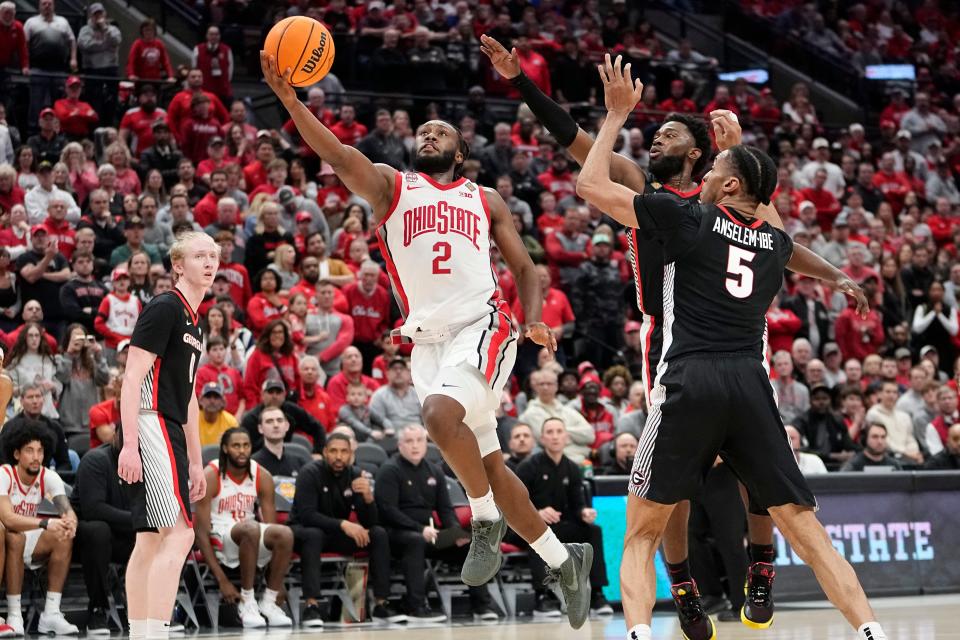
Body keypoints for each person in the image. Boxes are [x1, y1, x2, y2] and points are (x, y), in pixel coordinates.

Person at [263, 50, 592, 628]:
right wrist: (291, 101)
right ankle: (564, 560)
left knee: (440, 418)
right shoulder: (392, 188)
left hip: (482, 326)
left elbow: (523, 266)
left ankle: (484, 521)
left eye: (442, 130)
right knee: (486, 463)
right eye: (424, 130)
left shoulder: (484, 199)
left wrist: (534, 315)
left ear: (461, 152)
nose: (430, 133)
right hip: (429, 342)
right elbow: (337, 154)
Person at [576, 55, 885, 640]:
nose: (707, 174)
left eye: (716, 167)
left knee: (642, 531)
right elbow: (777, 232)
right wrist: (838, 276)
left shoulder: (685, 216)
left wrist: (617, 115)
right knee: (810, 533)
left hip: (689, 378)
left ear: (730, 184)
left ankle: (641, 633)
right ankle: (872, 631)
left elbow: (590, 184)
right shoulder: (771, 246)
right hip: (750, 383)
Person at [116, 232, 219, 640]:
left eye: (214, 255)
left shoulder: (196, 320)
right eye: (199, 255)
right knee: (180, 533)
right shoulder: (165, 307)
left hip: (170, 425)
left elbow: (190, 397)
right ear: (179, 265)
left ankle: (141, 633)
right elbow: (131, 378)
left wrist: (195, 460)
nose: (210, 262)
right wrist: (128, 443)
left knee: (150, 539)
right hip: (148, 419)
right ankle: (156, 633)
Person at [376, 424, 499, 621]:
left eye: (419, 441)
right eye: (409, 441)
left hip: (431, 534)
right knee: (415, 540)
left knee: (470, 545)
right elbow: (388, 511)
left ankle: (481, 605)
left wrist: (455, 532)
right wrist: (419, 529)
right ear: (400, 445)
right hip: (397, 534)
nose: (415, 446)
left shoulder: (434, 471)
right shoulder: (389, 470)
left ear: (427, 444)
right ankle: (416, 607)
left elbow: (445, 509)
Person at [290, 432, 398, 626]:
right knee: (313, 535)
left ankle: (381, 603)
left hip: (335, 533)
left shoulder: (355, 474)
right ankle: (311, 607)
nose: (338, 456)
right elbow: (307, 515)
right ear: (324, 452)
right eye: (333, 451)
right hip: (302, 532)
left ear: (351, 455)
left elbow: (370, 521)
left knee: (378, 534)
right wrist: (344, 524)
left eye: (344, 452)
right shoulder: (310, 472)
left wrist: (368, 499)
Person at [193, 428, 293, 627]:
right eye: (236, 446)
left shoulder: (261, 475)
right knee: (250, 528)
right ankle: (247, 601)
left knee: (284, 533)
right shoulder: (211, 475)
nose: (242, 451)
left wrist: (276, 579)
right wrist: (222, 580)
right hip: (220, 538)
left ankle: (269, 602)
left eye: (246, 446)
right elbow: (200, 532)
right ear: (225, 448)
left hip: (250, 535)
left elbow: (270, 526)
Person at [513, 418, 612, 616]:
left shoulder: (573, 469)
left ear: (566, 437)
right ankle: (543, 596)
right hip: (526, 527)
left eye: (559, 431)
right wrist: (537, 513)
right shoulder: (528, 467)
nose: (555, 436)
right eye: (550, 432)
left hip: (560, 526)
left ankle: (598, 595)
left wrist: (584, 512)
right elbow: (514, 503)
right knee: (537, 534)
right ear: (542, 438)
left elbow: (577, 505)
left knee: (593, 531)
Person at [0, 422, 79, 635]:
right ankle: (14, 614)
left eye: (40, 451)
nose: (36, 456)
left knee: (62, 536)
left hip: (29, 539)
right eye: (29, 450)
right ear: (16, 453)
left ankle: (51, 613)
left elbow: (66, 509)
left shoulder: (48, 476)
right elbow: (7, 518)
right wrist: (45, 523)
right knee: (15, 536)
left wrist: (70, 522)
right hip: (4, 541)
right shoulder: (4, 474)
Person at [70, 442, 135, 634]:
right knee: (98, 530)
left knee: (179, 533)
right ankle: (97, 608)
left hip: (129, 533)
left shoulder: (147, 462)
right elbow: (94, 509)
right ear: (116, 436)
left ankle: (159, 609)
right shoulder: (96, 460)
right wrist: (140, 520)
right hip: (86, 538)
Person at [518, 368, 595, 463]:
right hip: (551, 462)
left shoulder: (567, 410)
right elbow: (548, 443)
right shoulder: (531, 413)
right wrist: (583, 449)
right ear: (535, 387)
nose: (545, 387)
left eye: (549, 384)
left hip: (576, 461)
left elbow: (590, 436)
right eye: (541, 384)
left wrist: (565, 432)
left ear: (556, 386)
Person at [239, 379, 325, 454]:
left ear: (284, 395)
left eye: (278, 392)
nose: (274, 396)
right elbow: (244, 445)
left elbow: (318, 428)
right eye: (270, 392)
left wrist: (318, 452)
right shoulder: (251, 418)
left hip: (288, 455)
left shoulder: (292, 410)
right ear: (262, 394)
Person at [865, 380, 924, 465]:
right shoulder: (873, 414)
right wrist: (906, 454)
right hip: (888, 457)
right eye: (888, 392)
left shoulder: (904, 416)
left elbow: (910, 438)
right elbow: (884, 441)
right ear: (879, 394)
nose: (891, 395)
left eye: (894, 392)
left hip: (910, 457)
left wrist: (915, 452)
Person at [250, 405, 312, 478]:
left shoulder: (300, 463)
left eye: (279, 420)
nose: (276, 425)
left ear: (287, 426)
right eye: (269, 421)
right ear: (260, 428)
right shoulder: (252, 465)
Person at [369, 355, 422, 432]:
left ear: (408, 373)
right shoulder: (379, 395)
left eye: (402, 368)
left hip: (418, 435)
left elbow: (427, 420)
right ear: (387, 374)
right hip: (391, 437)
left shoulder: (418, 395)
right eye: (394, 369)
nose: (398, 371)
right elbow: (376, 422)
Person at [196, 382, 237, 447]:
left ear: (223, 401)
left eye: (216, 397)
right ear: (200, 400)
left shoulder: (231, 422)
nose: (212, 401)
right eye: (208, 396)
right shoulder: (193, 420)